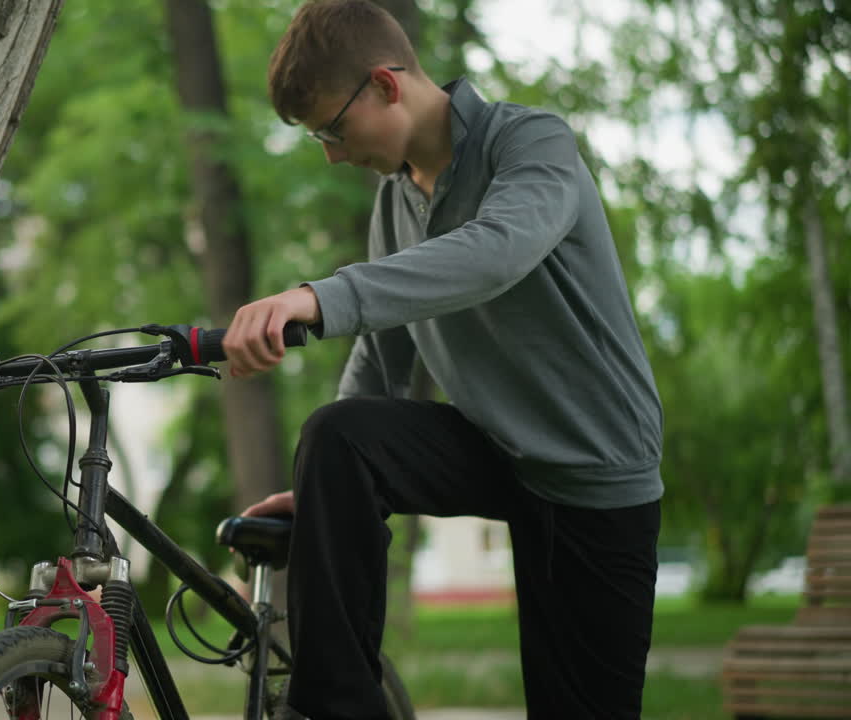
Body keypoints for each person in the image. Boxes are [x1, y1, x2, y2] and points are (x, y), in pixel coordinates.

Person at [219, 1, 664, 718]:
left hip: (594, 471)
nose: (332, 153)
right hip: (499, 451)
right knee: (338, 435)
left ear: (387, 85)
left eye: (333, 129)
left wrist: (318, 296)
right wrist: (327, 490)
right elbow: (380, 363)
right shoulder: (395, 203)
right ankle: (334, 709)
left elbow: (495, 253)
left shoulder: (532, 143)